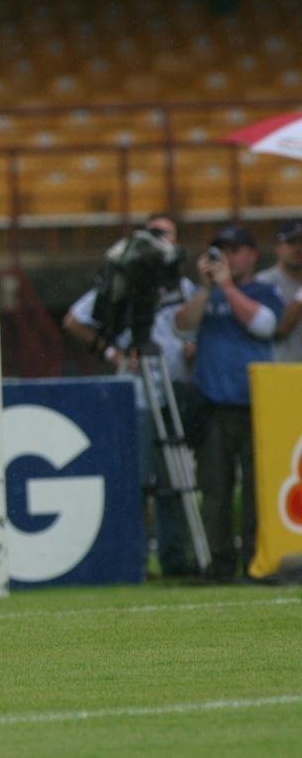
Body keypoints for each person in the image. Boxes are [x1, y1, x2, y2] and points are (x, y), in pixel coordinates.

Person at [62, 213, 197, 577]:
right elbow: (75, 319)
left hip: (174, 386)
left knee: (174, 476)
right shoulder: (123, 279)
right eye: (153, 234)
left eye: (166, 234)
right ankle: (133, 559)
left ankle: (177, 557)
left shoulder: (181, 286)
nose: (160, 242)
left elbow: (191, 325)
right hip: (136, 393)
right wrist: (112, 352)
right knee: (137, 478)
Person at [174, 225, 283, 581]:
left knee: (257, 489)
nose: (228, 259)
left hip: (257, 406)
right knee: (215, 489)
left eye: (234, 251)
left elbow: (264, 326)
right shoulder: (203, 295)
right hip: (214, 405)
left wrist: (227, 287)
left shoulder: (264, 291)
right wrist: (207, 288)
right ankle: (219, 565)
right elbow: (181, 326)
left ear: (252, 254)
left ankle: (256, 561)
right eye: (221, 252)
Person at [256, 220, 302, 362]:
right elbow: (278, 330)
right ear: (278, 248)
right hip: (279, 372)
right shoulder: (263, 282)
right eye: (291, 242)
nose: (298, 248)